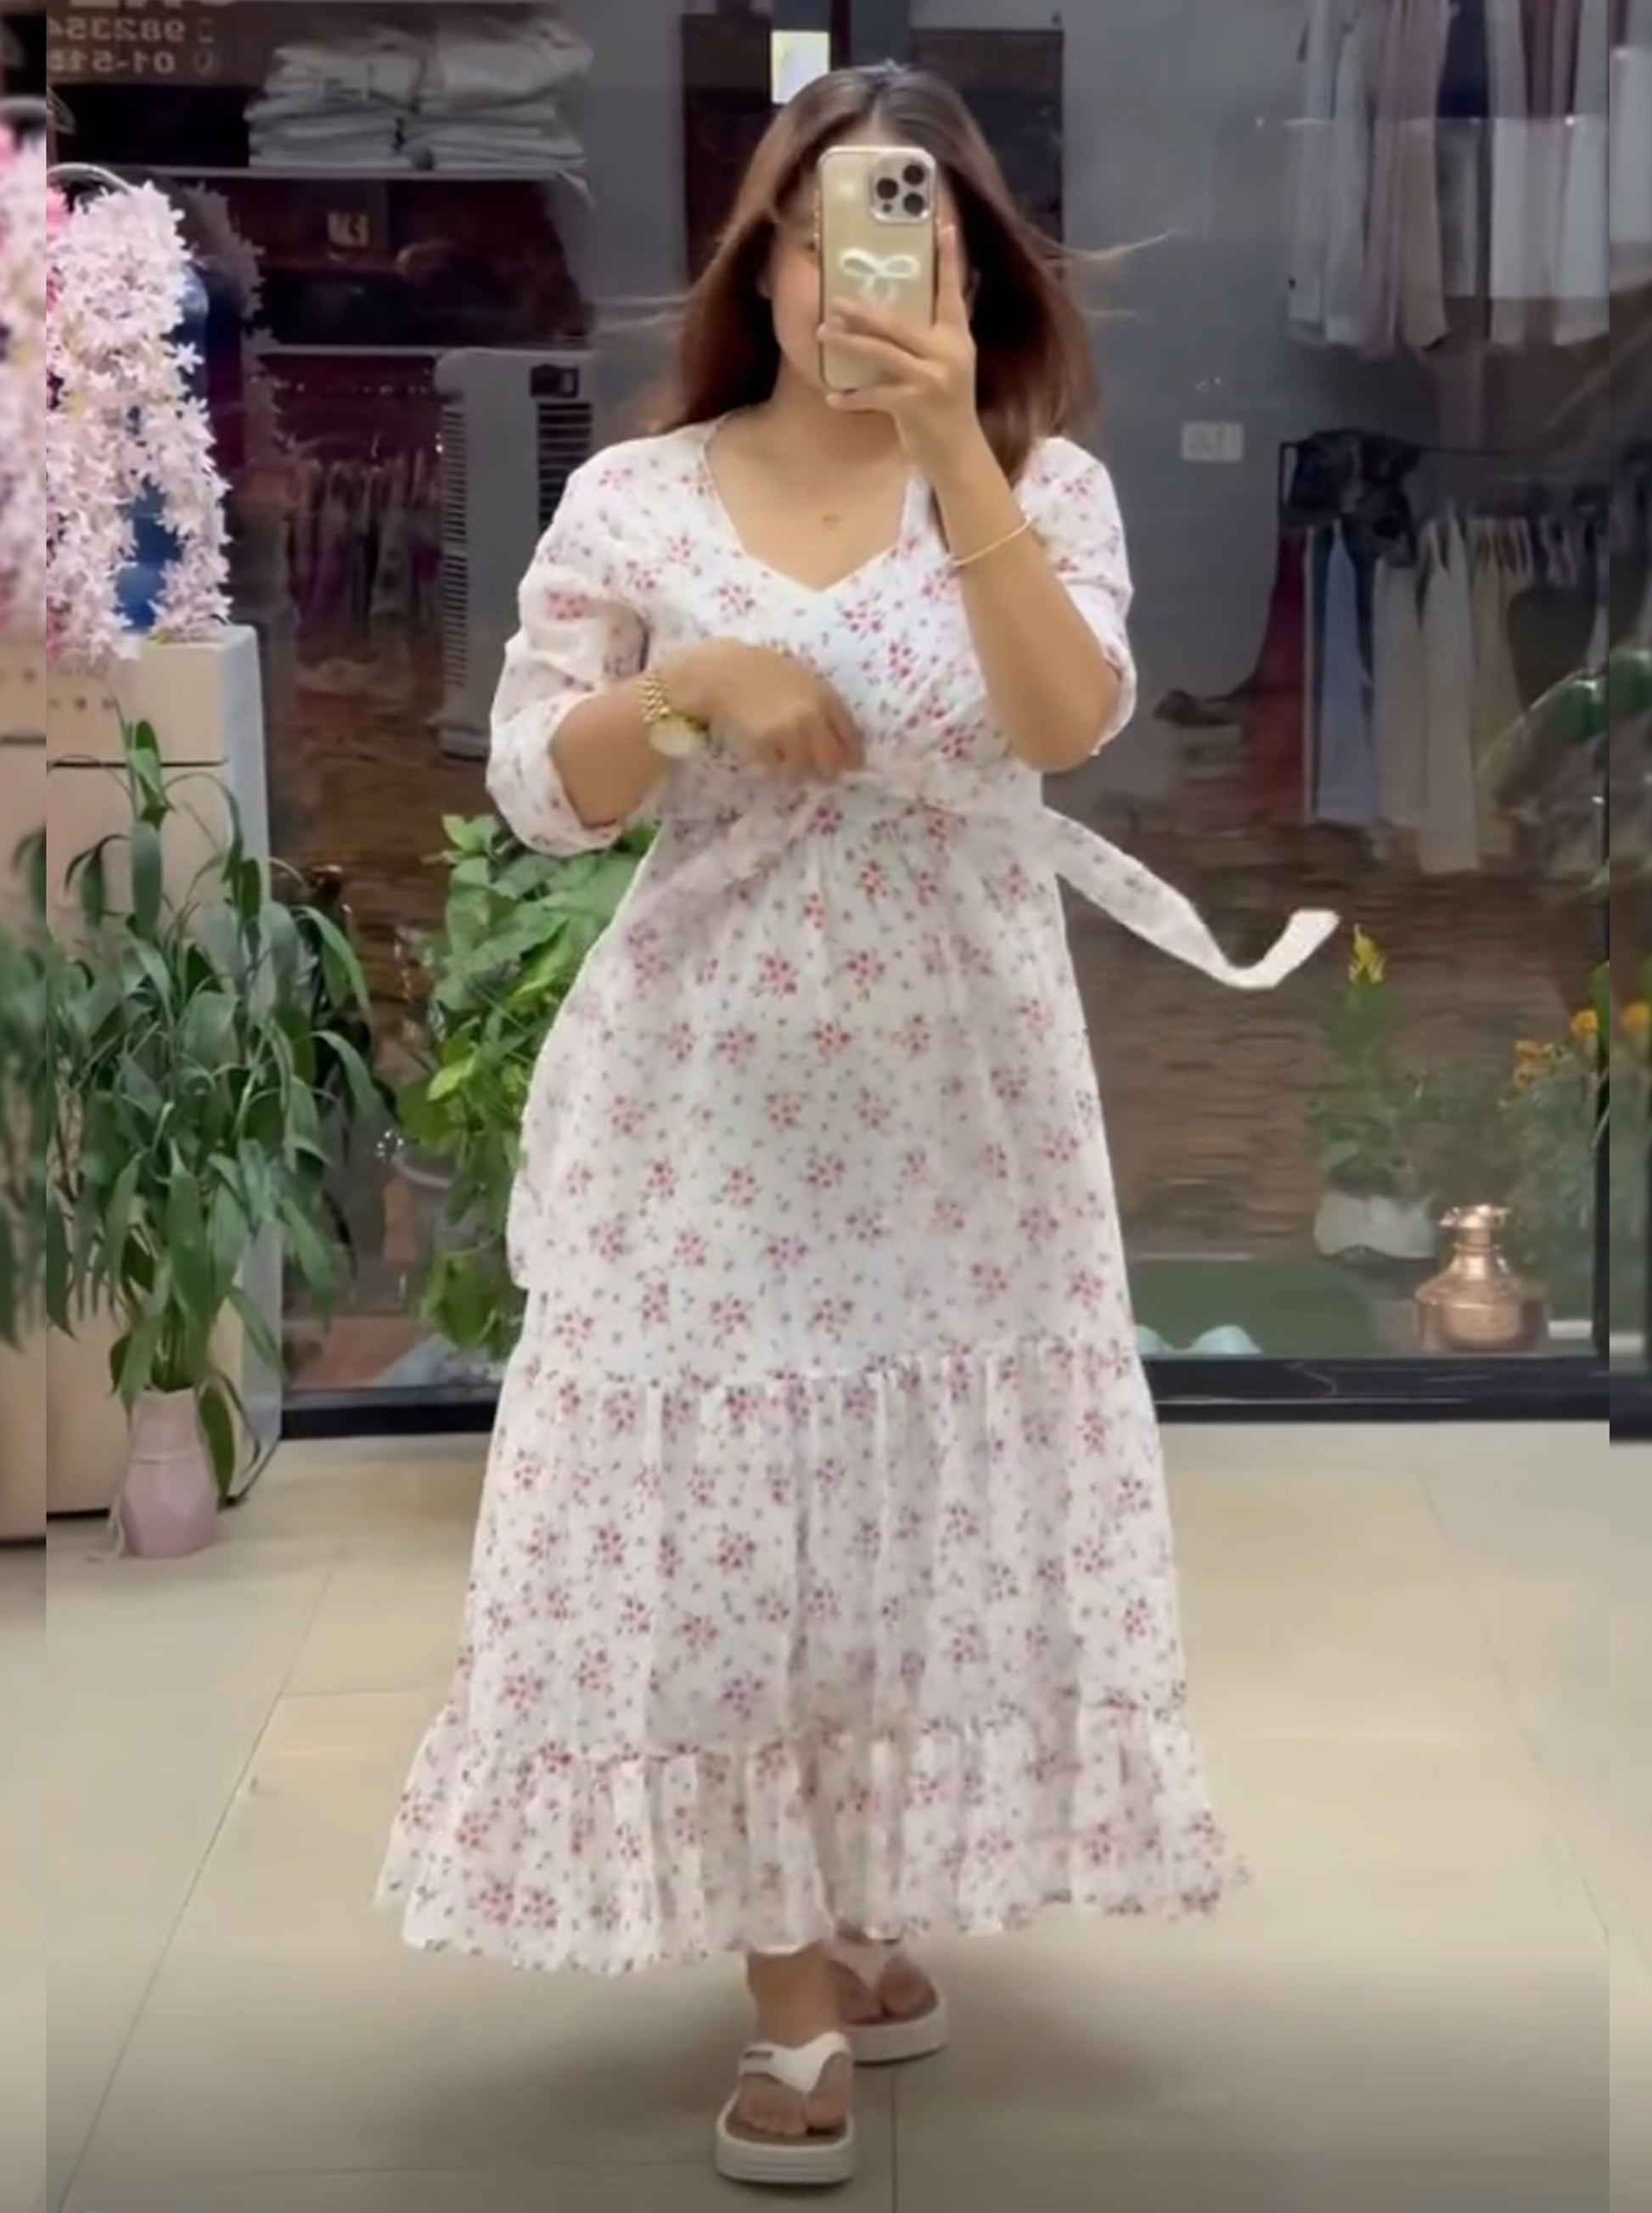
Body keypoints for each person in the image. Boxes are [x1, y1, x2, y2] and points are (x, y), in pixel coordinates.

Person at [379, 63, 1332, 2190]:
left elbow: (1066, 719)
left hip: (962, 1101)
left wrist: (950, 445)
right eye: (812, 241)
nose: (846, 283)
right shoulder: (638, 496)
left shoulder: (1042, 487)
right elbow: (542, 788)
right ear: (763, 262)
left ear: (968, 272)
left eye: (897, 239)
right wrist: (688, 684)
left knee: (908, 1517)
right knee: (729, 1524)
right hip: (702, 1090)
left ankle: (859, 1900)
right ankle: (791, 1983)